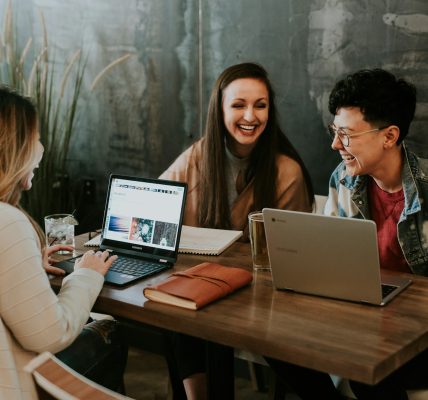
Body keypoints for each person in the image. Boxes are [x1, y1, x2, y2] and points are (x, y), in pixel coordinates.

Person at [160, 62, 314, 399]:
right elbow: (158, 202)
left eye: (260, 105)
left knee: (192, 314)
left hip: (261, 298)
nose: (251, 116)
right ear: (220, 110)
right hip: (201, 287)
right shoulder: (200, 155)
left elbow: (292, 256)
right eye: (238, 105)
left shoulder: (285, 171)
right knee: (174, 307)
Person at [0, 87, 128, 399]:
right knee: (110, 331)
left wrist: (27, 264)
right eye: (36, 137)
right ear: (15, 148)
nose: (42, 147)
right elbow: (49, 336)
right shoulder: (7, 221)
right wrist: (86, 274)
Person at [325, 68, 427, 399]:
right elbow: (329, 258)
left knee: (367, 365)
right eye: (335, 131)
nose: (335, 144)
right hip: (365, 318)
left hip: (418, 332)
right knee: (278, 343)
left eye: (347, 134)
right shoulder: (343, 180)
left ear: (389, 136)